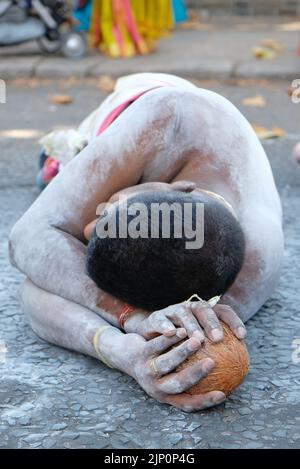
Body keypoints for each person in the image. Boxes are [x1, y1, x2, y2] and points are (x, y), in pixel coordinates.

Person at [9, 73, 284, 412]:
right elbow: (27, 240)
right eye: (108, 211)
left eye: (106, 212)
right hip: (132, 101)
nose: (87, 228)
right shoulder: (164, 117)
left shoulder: (257, 260)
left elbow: (35, 288)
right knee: (51, 190)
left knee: (57, 257)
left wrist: (138, 345)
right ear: (169, 186)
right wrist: (126, 329)